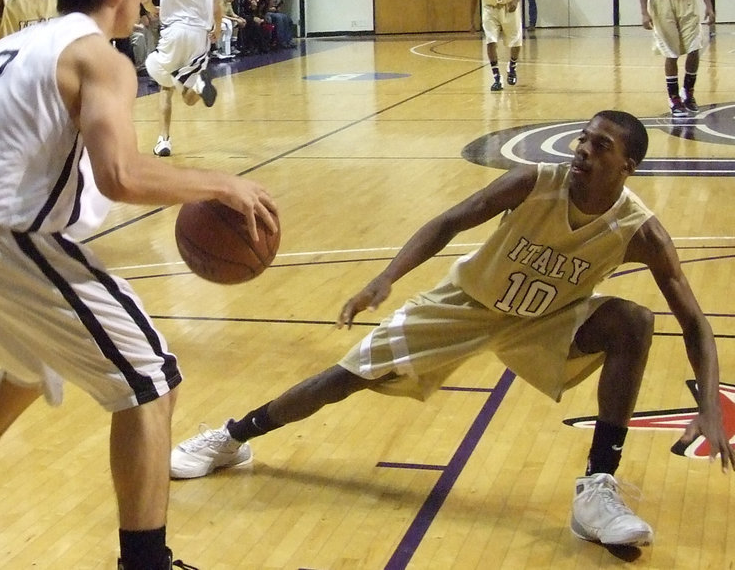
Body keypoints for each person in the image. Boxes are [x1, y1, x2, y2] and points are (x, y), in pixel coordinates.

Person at [0, 0, 278, 570]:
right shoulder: (100, 59)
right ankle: (144, 563)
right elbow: (121, 174)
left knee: (27, 372)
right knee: (151, 380)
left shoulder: (9, 49)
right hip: (8, 239)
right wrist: (222, 185)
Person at [170, 110, 734, 549]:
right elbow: (448, 221)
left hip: (545, 321)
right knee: (344, 378)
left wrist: (708, 403)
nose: (583, 150)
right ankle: (231, 438)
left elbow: (693, 322)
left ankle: (597, 488)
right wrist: (386, 279)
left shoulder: (640, 232)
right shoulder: (536, 181)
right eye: (583, 139)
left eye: (600, 146)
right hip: (465, 303)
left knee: (634, 320)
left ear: (627, 166)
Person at [141, 0, 221, 157]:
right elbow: (216, 4)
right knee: (188, 96)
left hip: (172, 32)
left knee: (165, 88)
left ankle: (164, 141)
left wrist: (151, 10)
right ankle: (199, 86)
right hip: (198, 34)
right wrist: (217, 27)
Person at [470, 0, 522, 91]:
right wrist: (472, 21)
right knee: (490, 41)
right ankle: (497, 78)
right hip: (490, 9)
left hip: (508, 7)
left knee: (515, 42)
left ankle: (512, 66)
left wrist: (515, 1)